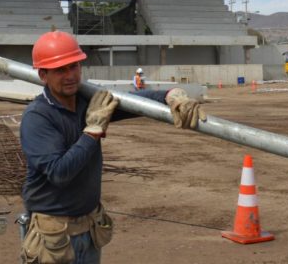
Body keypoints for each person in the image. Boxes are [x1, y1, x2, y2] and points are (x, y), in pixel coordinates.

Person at [19, 31, 205, 263]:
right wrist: (93, 130)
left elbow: (133, 103)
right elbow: (59, 173)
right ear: (43, 74)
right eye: (60, 70)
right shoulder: (38, 117)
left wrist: (172, 96)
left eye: (74, 66)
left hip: (89, 229)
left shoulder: (87, 103)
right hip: (53, 236)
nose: (70, 75)